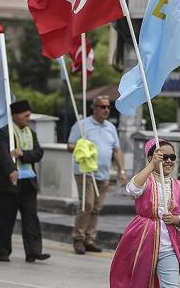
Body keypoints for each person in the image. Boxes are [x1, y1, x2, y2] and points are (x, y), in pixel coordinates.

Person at [110, 139, 180, 287]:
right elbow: (132, 188)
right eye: (163, 157)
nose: (168, 161)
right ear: (151, 158)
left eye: (172, 157)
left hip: (169, 247)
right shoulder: (145, 180)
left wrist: (175, 219)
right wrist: (151, 165)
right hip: (142, 243)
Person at [67, 95, 125, 254]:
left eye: (108, 107)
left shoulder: (111, 127)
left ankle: (89, 238)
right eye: (102, 107)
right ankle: (78, 238)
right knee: (87, 204)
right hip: (85, 172)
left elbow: (117, 150)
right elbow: (70, 145)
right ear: (94, 108)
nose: (106, 110)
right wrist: (81, 147)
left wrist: (121, 171)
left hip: (103, 174)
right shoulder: (82, 125)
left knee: (96, 208)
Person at [0, 100, 51, 263]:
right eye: (25, 115)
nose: (28, 118)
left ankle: (33, 251)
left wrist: (23, 154)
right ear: (15, 116)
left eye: (29, 115)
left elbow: (38, 153)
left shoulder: (31, 133)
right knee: (5, 219)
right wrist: (11, 170)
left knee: (31, 218)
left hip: (28, 182)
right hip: (9, 183)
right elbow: (4, 154)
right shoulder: (3, 133)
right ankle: (4, 251)